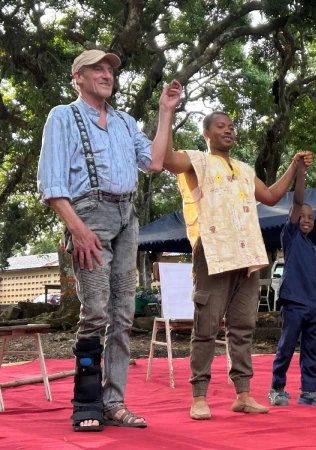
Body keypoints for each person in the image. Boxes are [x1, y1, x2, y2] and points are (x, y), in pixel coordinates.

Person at [37, 49, 182, 431]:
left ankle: (114, 402)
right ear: (78, 77)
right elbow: (52, 184)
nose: (106, 74)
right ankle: (87, 402)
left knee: (123, 315)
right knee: (96, 311)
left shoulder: (124, 122)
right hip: (88, 216)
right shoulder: (63, 116)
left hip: (126, 218)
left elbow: (154, 162)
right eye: (96, 69)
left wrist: (165, 111)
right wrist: (77, 229)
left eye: (109, 70)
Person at [151, 110, 313, 420]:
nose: (228, 130)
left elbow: (271, 196)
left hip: (247, 254)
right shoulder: (197, 160)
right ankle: (199, 396)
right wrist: (167, 111)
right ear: (206, 134)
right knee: (206, 328)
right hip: (213, 252)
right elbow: (167, 159)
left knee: (242, 328)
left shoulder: (244, 170)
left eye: (232, 126)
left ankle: (243, 394)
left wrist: (294, 167)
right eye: (220, 126)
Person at [267, 157, 316, 408]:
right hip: (294, 302)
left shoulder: (311, 248)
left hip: (314, 306)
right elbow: (298, 202)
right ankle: (277, 388)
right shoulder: (291, 237)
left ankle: (308, 391)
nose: (306, 219)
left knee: (311, 350)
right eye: (302, 216)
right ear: (294, 218)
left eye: (311, 217)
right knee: (287, 346)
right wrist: (300, 173)